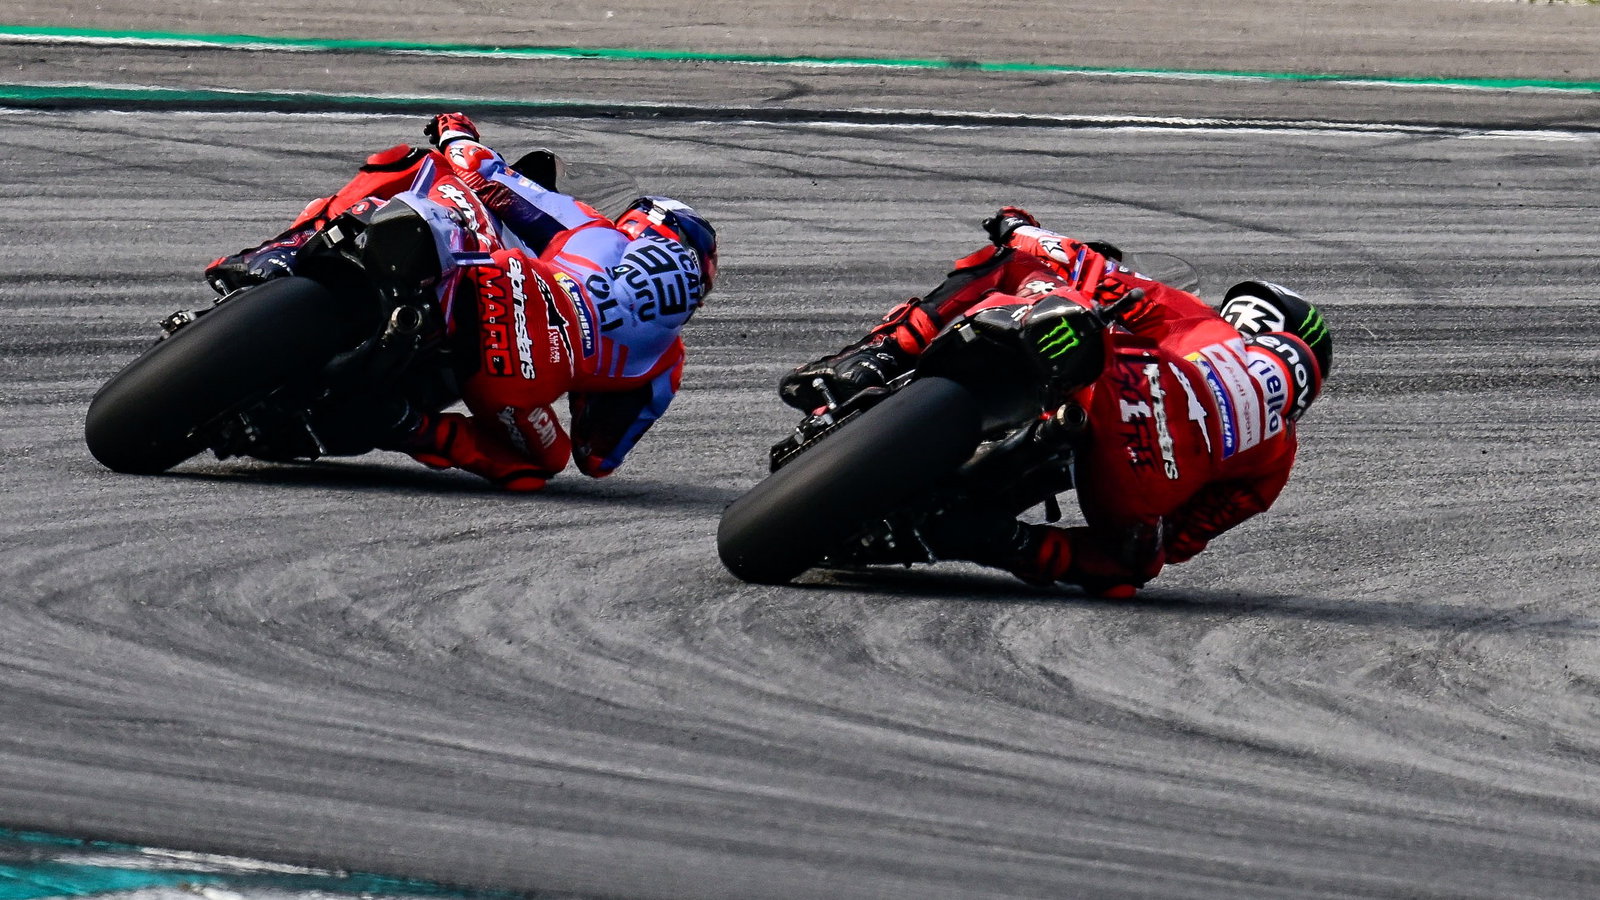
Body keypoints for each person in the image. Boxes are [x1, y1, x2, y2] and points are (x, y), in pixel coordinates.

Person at [779, 207, 1331, 597]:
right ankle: (1000, 538)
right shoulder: (1277, 457)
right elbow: (1180, 541)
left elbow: (1085, 266)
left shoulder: (1197, 320)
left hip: (1113, 379)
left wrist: (1020, 228)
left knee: (1011, 267)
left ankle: (876, 356)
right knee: (1129, 567)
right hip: (1135, 480)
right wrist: (1134, 544)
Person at [205, 112, 717, 491]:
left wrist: (456, 132)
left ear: (642, 228)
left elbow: (485, 173)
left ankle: (284, 250)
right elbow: (595, 455)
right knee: (544, 465)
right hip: (518, 376)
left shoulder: (596, 233)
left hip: (504, 283)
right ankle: (410, 423)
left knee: (410, 162)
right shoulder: (667, 361)